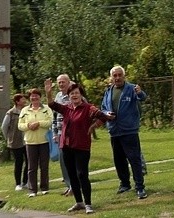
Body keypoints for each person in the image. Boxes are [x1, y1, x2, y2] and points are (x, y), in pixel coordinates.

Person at [45, 78, 114, 214]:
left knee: (82, 174)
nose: (74, 95)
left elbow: (102, 116)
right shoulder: (67, 109)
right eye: (72, 94)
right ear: (69, 97)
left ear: (81, 95)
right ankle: (78, 202)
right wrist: (48, 92)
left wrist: (93, 126)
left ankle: (88, 204)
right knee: (72, 175)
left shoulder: (88, 108)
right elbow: (52, 104)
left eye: (76, 93)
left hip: (82, 146)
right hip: (66, 146)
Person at [100, 65, 148, 199]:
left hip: (129, 131)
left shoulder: (131, 88)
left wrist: (140, 92)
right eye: (114, 76)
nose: (117, 78)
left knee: (134, 159)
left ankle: (140, 187)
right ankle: (125, 184)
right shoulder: (108, 91)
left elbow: (143, 98)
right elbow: (103, 108)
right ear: (111, 77)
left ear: (124, 76)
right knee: (119, 160)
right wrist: (106, 114)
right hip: (114, 130)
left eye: (119, 75)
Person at [17, 88, 53, 197]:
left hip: (44, 141)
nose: (34, 97)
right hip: (30, 142)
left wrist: (39, 123)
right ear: (29, 98)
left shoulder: (46, 109)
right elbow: (20, 125)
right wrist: (28, 125)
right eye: (32, 96)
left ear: (40, 97)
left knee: (44, 166)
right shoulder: (24, 110)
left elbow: (50, 122)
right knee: (31, 167)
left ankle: (44, 187)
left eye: (36, 95)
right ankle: (32, 190)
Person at [2, 93, 29, 191]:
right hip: (15, 142)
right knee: (19, 162)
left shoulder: (27, 110)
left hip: (27, 140)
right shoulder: (11, 113)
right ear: (17, 101)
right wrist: (8, 138)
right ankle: (18, 184)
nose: (24, 101)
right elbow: (4, 127)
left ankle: (25, 181)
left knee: (29, 161)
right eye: (22, 99)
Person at [53, 74, 73, 196]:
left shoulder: (74, 95)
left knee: (72, 160)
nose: (61, 84)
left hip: (72, 133)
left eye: (63, 82)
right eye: (59, 82)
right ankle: (69, 184)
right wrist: (54, 133)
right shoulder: (58, 96)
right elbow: (54, 117)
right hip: (60, 133)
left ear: (68, 82)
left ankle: (75, 186)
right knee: (63, 161)